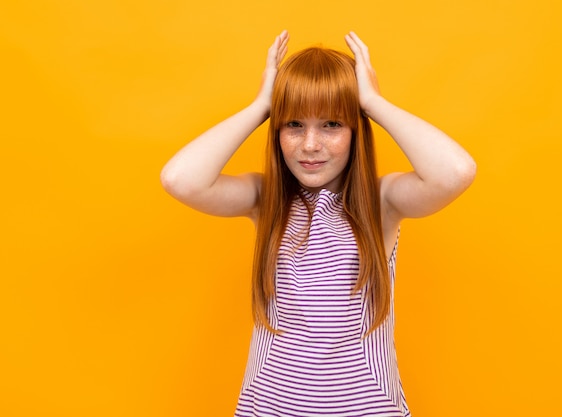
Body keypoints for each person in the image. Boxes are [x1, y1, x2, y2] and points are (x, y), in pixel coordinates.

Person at [161, 30, 475, 417]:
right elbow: (180, 179)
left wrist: (372, 102)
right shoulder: (268, 201)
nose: (310, 144)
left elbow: (456, 172)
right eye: (293, 124)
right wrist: (262, 105)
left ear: (356, 130)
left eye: (331, 124)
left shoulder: (382, 203)